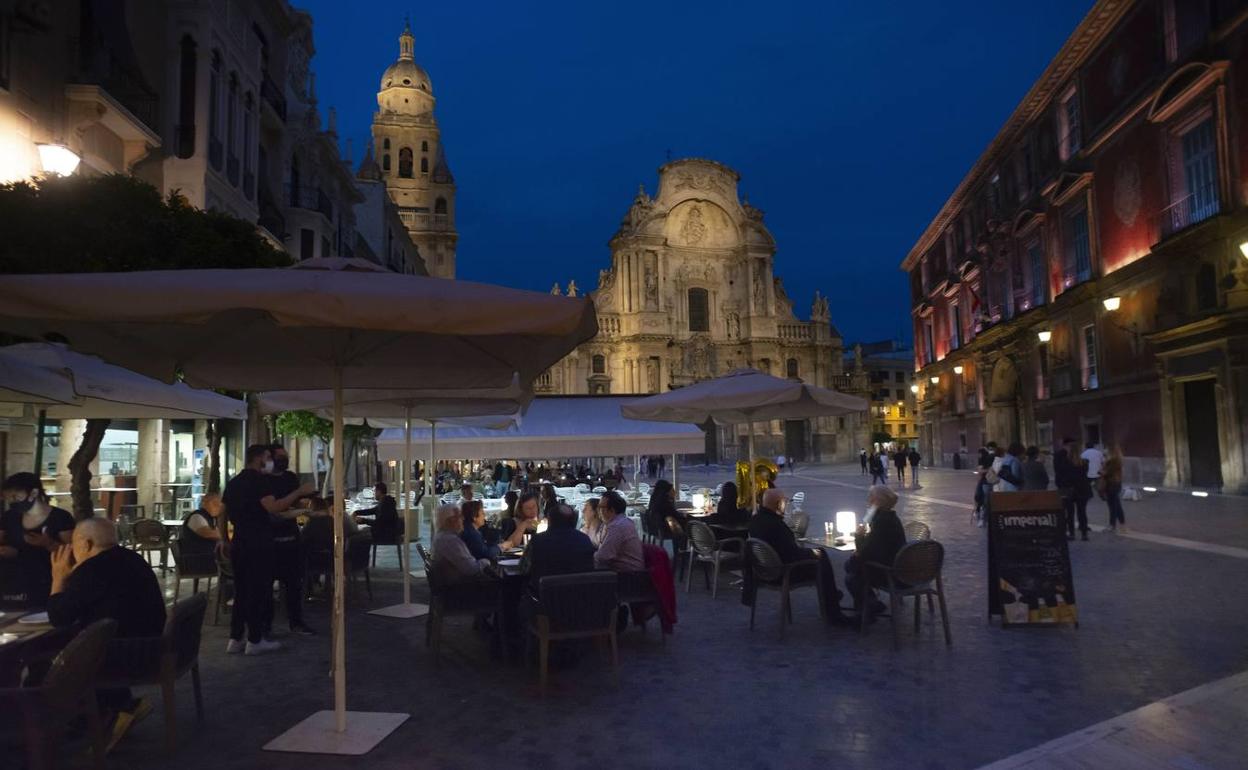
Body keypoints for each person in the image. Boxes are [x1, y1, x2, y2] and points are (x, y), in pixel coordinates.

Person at [47, 518, 165, 747]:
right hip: (150, 647)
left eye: (73, 544)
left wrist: (58, 579)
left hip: (122, 655)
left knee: (60, 664)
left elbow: (59, 618)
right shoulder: (133, 559)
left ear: (87, 544)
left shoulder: (91, 570)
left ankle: (98, 720)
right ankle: (121, 707)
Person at [221, 444, 312, 656]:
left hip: (239, 542)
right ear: (259, 458)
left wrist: (224, 539)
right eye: (268, 457)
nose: (270, 461)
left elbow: (222, 513)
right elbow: (275, 507)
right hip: (258, 543)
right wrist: (299, 492)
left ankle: (235, 638)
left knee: (241, 591)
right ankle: (255, 639)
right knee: (258, 591)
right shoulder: (259, 481)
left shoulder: (234, 482)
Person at [747, 488, 851, 624]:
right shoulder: (775, 524)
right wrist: (811, 553)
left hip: (763, 570)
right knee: (821, 557)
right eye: (785, 502)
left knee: (819, 555)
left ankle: (831, 595)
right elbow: (791, 553)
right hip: (784, 571)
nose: (786, 505)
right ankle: (832, 607)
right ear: (778, 504)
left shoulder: (756, 520)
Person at [0, 472, 75, 607]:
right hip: (12, 583)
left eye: (16, 496)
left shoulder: (60, 518)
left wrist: (48, 543)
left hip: (46, 583)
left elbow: (72, 554)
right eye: (9, 498)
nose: (12, 502)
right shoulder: (9, 517)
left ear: (34, 493)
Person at [264, 443, 315, 637]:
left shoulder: (290, 478)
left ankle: (296, 622)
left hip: (292, 539)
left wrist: (303, 502)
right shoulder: (264, 481)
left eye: (285, 457)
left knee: (294, 584)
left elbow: (295, 503)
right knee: (267, 587)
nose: (284, 461)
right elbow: (274, 509)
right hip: (270, 541)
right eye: (280, 457)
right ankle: (266, 626)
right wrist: (298, 495)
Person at [844, 485, 906, 616]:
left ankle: (869, 607)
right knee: (853, 566)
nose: (868, 500)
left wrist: (859, 536)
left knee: (851, 574)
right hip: (899, 567)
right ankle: (870, 603)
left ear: (877, 502)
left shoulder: (881, 521)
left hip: (890, 572)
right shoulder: (891, 518)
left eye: (870, 497)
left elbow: (866, 552)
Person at [522, 502, 595, 589]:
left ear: (550, 521)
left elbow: (523, 569)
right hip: (579, 595)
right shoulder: (585, 540)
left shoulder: (537, 541)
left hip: (545, 595)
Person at [431, 504, 490, 584]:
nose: (463, 519)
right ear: (450, 520)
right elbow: (472, 569)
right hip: (461, 589)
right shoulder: (450, 541)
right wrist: (486, 561)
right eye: (460, 516)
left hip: (453, 586)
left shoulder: (442, 536)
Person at [593, 491, 644, 572]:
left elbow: (603, 556)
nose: (598, 510)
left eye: (601, 507)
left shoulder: (618, 526)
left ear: (612, 510)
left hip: (628, 575)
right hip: (619, 571)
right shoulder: (615, 522)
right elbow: (598, 542)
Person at [1053, 441, 1088, 540]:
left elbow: (1061, 476)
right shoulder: (1084, 462)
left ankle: (1071, 533)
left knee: (1069, 513)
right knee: (1082, 512)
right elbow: (1084, 477)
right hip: (1082, 489)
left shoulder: (1064, 462)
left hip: (1068, 490)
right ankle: (1084, 533)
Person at [179, 493, 222, 560]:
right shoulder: (197, 516)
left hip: (208, 555)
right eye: (214, 503)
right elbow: (208, 534)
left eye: (219, 504)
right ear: (204, 504)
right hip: (196, 557)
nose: (218, 506)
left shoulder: (212, 518)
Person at [647, 478, 685, 544]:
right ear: (666, 491)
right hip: (666, 529)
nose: (674, 492)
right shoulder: (664, 502)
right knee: (687, 527)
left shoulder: (654, 499)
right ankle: (682, 548)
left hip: (655, 528)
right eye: (672, 490)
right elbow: (673, 514)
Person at [1103, 445, 1126, 532]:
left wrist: (1102, 469)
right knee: (1116, 505)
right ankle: (1121, 525)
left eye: (1107, 450)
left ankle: (1113, 525)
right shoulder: (1117, 460)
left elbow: (1106, 472)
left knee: (1113, 505)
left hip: (1111, 484)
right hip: (1116, 483)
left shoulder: (1113, 461)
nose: (1105, 451)